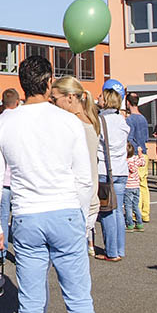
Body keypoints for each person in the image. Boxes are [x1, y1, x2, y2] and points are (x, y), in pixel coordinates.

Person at [0, 56, 101, 313]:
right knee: (80, 305)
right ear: (50, 83)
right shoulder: (70, 122)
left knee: (31, 308)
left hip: (27, 217)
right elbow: (85, 179)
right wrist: (84, 221)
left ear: (22, 85)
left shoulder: (1, 124)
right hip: (66, 213)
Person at [50, 77, 100, 256]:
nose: (53, 103)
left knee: (70, 261)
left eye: (55, 99)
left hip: (77, 201)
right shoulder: (90, 120)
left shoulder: (74, 124)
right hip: (87, 198)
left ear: (70, 97)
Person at [97, 87, 129, 262]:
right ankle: (119, 249)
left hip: (105, 169)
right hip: (121, 170)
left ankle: (111, 251)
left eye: (101, 96)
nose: (98, 98)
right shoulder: (121, 120)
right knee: (117, 211)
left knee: (107, 211)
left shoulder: (102, 120)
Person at [0, 87, 21, 256]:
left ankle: (1, 251)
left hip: (2, 177)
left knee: (1, 216)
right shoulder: (22, 121)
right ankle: (21, 251)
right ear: (17, 102)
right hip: (18, 177)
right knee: (19, 217)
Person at [124, 92, 150, 223]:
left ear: (128, 103)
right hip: (144, 152)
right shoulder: (143, 118)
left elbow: (129, 138)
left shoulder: (130, 119)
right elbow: (145, 137)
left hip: (134, 154)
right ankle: (145, 213)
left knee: (135, 185)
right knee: (143, 184)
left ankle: (136, 213)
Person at [124, 144, 144, 232]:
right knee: (135, 205)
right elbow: (143, 162)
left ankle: (130, 224)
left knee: (128, 206)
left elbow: (130, 169)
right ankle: (139, 223)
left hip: (128, 186)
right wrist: (140, 153)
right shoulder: (136, 159)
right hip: (136, 186)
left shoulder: (126, 161)